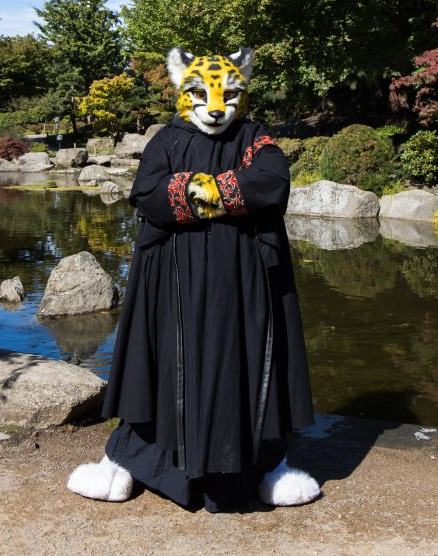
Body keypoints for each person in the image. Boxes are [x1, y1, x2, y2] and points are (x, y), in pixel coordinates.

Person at [68, 47, 319, 511]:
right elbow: (148, 194)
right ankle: (129, 461)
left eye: (227, 93)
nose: (216, 106)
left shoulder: (255, 138)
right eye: (202, 93)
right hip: (173, 284)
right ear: (183, 89)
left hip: (244, 287)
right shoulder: (166, 139)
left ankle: (267, 464)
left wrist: (192, 191)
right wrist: (225, 193)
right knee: (164, 360)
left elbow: (271, 184)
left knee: (245, 358)